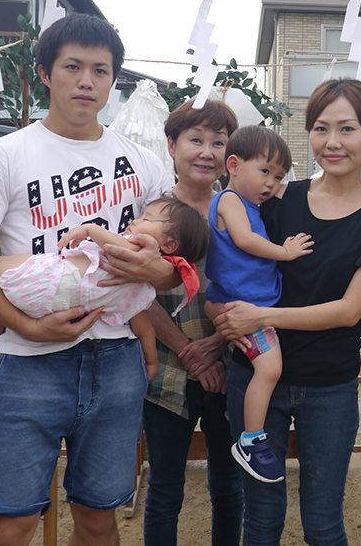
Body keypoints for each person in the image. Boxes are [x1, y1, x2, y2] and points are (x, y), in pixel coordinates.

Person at [0, 13, 181, 545]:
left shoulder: (145, 164)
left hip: (117, 359)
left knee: (98, 519)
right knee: (12, 523)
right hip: (26, 363)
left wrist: (155, 269)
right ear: (46, 73)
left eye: (101, 70)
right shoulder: (3, 155)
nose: (86, 81)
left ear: (113, 79)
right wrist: (25, 326)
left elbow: (173, 270)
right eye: (73, 67)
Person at [213, 78, 361, 546]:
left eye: (347, 128)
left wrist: (260, 318)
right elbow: (231, 263)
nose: (333, 142)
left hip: (328, 387)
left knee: (323, 525)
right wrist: (219, 308)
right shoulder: (277, 199)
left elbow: (348, 311)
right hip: (255, 376)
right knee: (260, 520)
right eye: (321, 129)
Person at [0, 196, 207, 383]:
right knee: (2, 300)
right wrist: (151, 362)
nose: (136, 221)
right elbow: (144, 329)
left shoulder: (135, 249)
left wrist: (90, 229)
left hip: (55, 279)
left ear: (168, 246)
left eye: (147, 218)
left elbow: (115, 244)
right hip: (66, 305)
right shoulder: (141, 292)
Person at [141, 99, 245, 546]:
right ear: (172, 145)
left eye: (218, 142)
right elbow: (134, 293)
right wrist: (190, 353)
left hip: (232, 368)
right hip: (167, 371)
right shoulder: (151, 215)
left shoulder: (243, 212)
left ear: (230, 154)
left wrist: (218, 345)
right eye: (195, 140)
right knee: (164, 489)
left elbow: (262, 286)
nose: (206, 152)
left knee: (230, 487)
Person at [205, 125, 314, 484]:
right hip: (244, 308)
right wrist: (285, 252)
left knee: (268, 368)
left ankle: (252, 437)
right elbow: (244, 239)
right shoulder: (230, 200)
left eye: (279, 176)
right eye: (265, 171)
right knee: (269, 369)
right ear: (233, 165)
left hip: (247, 303)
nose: (271, 183)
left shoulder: (249, 203)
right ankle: (251, 440)